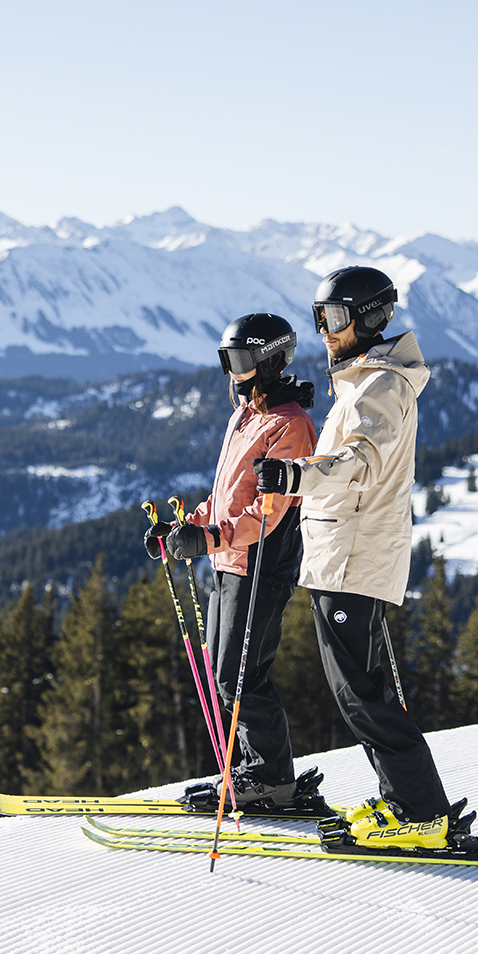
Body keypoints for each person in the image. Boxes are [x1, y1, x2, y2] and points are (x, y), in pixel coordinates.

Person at [253, 265, 474, 852]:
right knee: (363, 689)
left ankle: (418, 812)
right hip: (343, 555)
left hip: (355, 558)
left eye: (337, 317)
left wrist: (294, 475)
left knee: (361, 693)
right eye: (320, 317)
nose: (326, 329)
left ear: (371, 317)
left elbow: (359, 460)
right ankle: (407, 801)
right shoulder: (364, 380)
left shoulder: (382, 386)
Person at [144, 312, 319, 811]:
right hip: (229, 562)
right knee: (227, 675)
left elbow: (267, 511)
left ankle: (270, 778)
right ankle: (252, 771)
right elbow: (225, 499)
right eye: (227, 360)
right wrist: (188, 530)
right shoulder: (244, 416)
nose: (232, 372)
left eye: (240, 360)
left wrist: (212, 536)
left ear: (269, 360)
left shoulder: (292, 426)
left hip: (262, 564)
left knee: (240, 676)